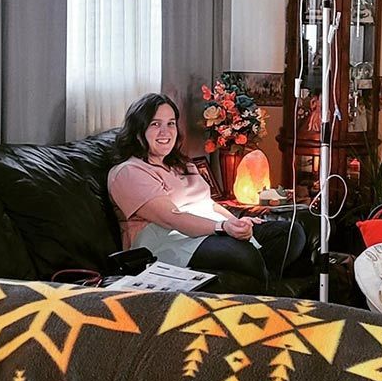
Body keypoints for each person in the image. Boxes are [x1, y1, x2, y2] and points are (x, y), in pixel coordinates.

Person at [108, 93, 307, 288]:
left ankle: (264, 283)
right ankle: (269, 290)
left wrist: (235, 223)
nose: (165, 132)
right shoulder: (128, 172)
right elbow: (172, 219)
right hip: (167, 239)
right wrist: (223, 228)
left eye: (170, 123)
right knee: (241, 252)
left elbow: (209, 204)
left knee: (291, 232)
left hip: (211, 229)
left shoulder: (182, 165)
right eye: (155, 124)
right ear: (138, 130)